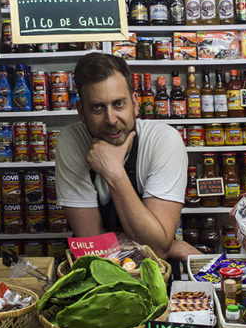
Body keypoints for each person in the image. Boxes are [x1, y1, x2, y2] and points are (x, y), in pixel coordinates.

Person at [55, 51, 198, 262]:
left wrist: (114, 172)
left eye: (119, 104)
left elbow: (157, 248)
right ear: (81, 112)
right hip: (97, 273)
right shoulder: (71, 141)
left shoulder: (163, 141)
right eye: (97, 108)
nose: (111, 119)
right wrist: (168, 246)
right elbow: (91, 244)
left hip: (159, 274)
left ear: (135, 103)